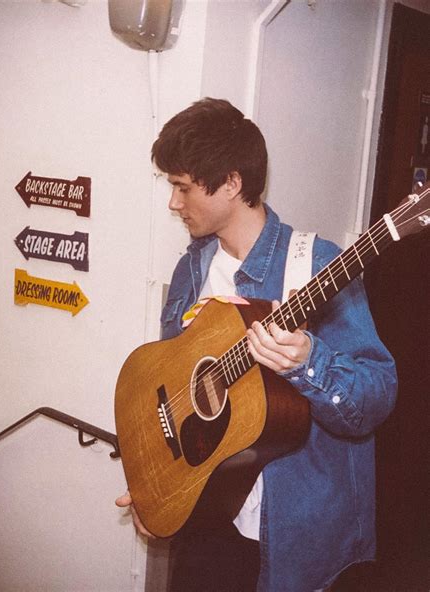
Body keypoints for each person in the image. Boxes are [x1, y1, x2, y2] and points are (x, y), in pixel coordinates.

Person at [116, 98, 397, 592]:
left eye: (182, 187)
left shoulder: (316, 266)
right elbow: (170, 385)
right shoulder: (194, 267)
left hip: (288, 538)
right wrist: (156, 487)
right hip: (207, 519)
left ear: (230, 183)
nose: (173, 203)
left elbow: (376, 397)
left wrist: (311, 361)